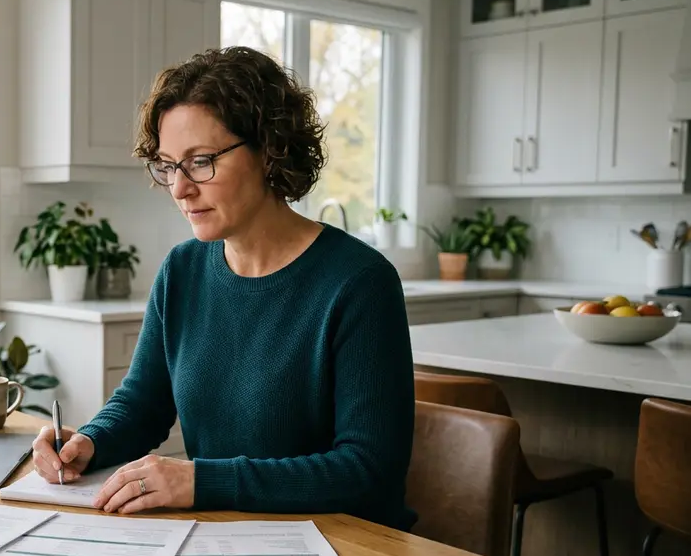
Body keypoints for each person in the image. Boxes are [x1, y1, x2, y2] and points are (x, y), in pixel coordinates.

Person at [30, 46, 417, 531]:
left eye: (201, 161)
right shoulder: (182, 270)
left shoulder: (359, 283)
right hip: (227, 539)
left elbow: (369, 469)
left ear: (269, 150)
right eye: (169, 165)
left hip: (351, 553)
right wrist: (89, 442)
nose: (180, 188)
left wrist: (200, 482)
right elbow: (143, 404)